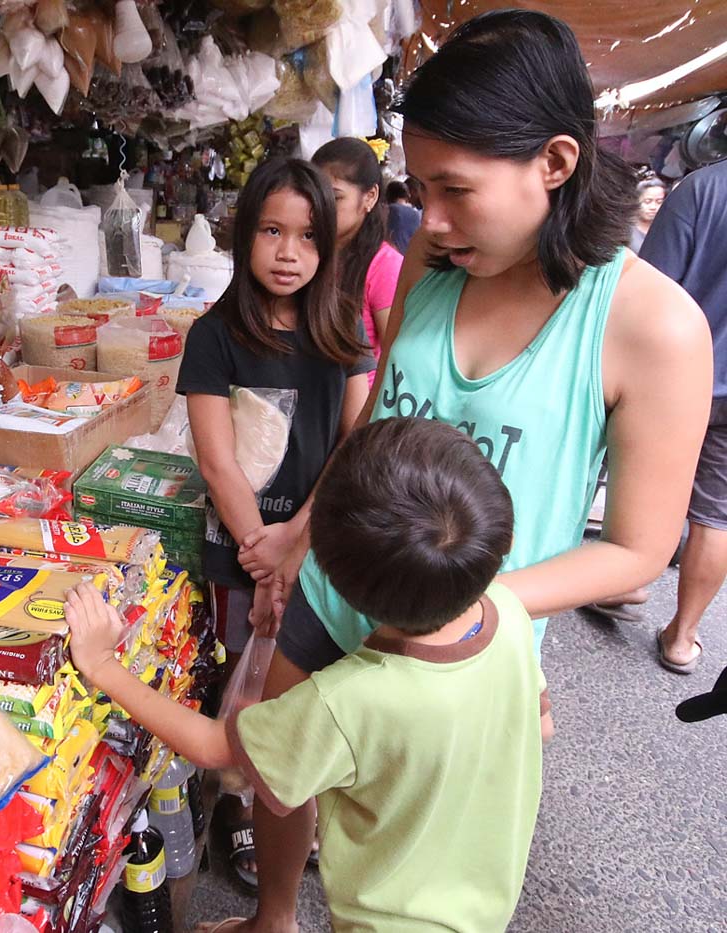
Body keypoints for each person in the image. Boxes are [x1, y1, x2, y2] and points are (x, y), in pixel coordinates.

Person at [244, 11, 711, 932]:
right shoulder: (434, 253)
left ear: (557, 162)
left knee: (417, 843)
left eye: (455, 190)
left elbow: (638, 549)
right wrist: (306, 527)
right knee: (278, 766)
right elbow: (386, 413)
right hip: (345, 583)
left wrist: (482, 617)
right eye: (420, 188)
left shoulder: (651, 325)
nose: (432, 219)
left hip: (465, 638)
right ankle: (273, 916)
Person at [65, 417, 545, 933]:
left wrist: (103, 665)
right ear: (505, 542)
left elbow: (209, 746)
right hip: (485, 905)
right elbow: (540, 724)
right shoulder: (510, 614)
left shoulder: (346, 701)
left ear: (331, 582)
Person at [173, 157, 373, 889]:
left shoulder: (343, 329)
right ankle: (233, 797)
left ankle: (293, 796)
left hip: (317, 549)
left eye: (308, 236)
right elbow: (221, 463)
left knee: (305, 672)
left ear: (330, 246)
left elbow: (356, 439)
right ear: (243, 235)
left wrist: (299, 543)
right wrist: (263, 553)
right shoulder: (213, 336)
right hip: (239, 548)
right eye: (270, 231)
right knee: (239, 672)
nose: (288, 252)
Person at [640, 157, 727, 674]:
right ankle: (682, 637)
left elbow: (650, 286)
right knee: (716, 515)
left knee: (646, 477)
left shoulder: (702, 189)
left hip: (676, 374)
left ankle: (623, 580)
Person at [313, 137, 404, 380]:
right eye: (314, 195)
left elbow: (396, 359)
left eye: (335, 197)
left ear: (370, 196)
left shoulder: (385, 265)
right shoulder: (309, 255)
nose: (320, 206)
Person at [385, 179, 422, 253]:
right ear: (407, 196)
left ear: (388, 196)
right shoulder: (415, 215)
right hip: (407, 258)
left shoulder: (384, 211)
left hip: (387, 256)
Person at [630, 177, 666, 253]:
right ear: (636, 201)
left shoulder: (668, 227)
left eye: (659, 202)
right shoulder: (625, 230)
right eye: (647, 202)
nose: (653, 207)